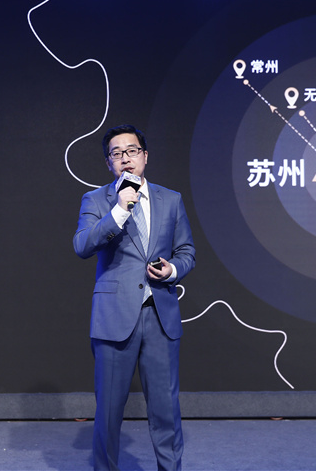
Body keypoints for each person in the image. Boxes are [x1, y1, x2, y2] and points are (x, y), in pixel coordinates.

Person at [74, 124, 195, 471]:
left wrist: (171, 270)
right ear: (108, 163)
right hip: (114, 319)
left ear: (145, 155)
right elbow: (82, 245)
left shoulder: (171, 199)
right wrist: (119, 211)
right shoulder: (96, 200)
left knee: (165, 410)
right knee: (109, 411)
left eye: (132, 151)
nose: (125, 158)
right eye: (117, 153)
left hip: (160, 316)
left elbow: (186, 251)